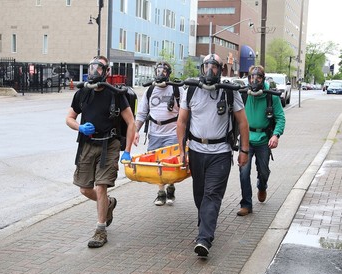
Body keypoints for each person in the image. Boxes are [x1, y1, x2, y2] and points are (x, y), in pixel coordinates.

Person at [176, 53, 249, 257]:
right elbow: (181, 122)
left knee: (212, 195)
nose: (210, 70)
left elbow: (243, 123)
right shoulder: (190, 90)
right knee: (199, 195)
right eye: (206, 65)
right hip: (197, 152)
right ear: (201, 68)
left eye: (214, 66)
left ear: (221, 69)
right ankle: (204, 228)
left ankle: (204, 239)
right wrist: (182, 150)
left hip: (221, 153)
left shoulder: (229, 91)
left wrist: (244, 150)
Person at [66, 55, 135, 248]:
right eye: (91, 67)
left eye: (99, 68)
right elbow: (69, 118)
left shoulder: (116, 94)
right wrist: (79, 127)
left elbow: (131, 123)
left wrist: (127, 150)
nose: (94, 71)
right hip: (87, 144)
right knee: (85, 189)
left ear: (107, 72)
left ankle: (100, 230)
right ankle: (109, 204)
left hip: (109, 145)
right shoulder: (82, 93)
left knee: (101, 186)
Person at [134, 61, 185, 206]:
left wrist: (186, 135)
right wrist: (135, 131)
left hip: (172, 133)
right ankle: (161, 192)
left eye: (164, 71)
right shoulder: (150, 91)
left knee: (169, 163)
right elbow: (142, 113)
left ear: (168, 74)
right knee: (157, 165)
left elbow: (186, 113)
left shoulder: (178, 90)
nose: (160, 74)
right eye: (158, 71)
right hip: (155, 133)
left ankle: (170, 187)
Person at [237, 65, 286, 216]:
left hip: (264, 140)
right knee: (243, 172)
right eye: (252, 77)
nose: (255, 80)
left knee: (263, 171)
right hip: (246, 139)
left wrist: (275, 135)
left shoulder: (271, 96)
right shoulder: (244, 94)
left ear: (263, 79)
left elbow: (280, 118)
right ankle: (246, 204)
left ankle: (262, 185)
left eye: (258, 77)